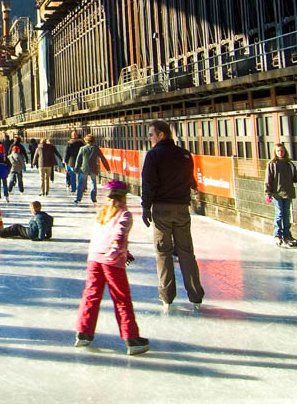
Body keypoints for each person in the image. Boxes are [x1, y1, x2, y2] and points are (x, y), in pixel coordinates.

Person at [74, 180, 148, 355]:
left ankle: (83, 333)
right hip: (111, 261)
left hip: (94, 259)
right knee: (121, 299)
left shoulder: (102, 214)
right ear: (123, 196)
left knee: (91, 295)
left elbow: (103, 237)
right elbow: (119, 235)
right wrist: (116, 252)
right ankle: (132, 338)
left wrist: (124, 252)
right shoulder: (124, 214)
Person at [140, 120, 205, 309]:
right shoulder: (185, 154)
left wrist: (146, 207)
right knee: (186, 252)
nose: (149, 138)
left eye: (151, 134)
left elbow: (149, 183)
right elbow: (190, 180)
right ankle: (196, 296)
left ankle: (167, 296)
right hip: (182, 208)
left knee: (163, 253)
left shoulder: (153, 155)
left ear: (161, 135)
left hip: (162, 209)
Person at [265, 144, 297, 247]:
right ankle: (277, 235)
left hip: (288, 193)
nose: (280, 153)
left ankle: (287, 235)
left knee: (286, 215)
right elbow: (268, 180)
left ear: (284, 151)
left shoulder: (289, 164)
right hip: (277, 194)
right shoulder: (272, 164)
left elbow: (295, 178)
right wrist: (268, 193)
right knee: (279, 213)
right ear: (275, 152)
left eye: (281, 151)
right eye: (278, 151)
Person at [74, 133, 110, 204]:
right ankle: (93, 199)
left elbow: (78, 160)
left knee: (81, 184)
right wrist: (107, 168)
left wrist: (76, 169)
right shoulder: (96, 148)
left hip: (84, 168)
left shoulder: (82, 148)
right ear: (93, 141)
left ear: (86, 141)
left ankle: (78, 198)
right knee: (93, 183)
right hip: (93, 168)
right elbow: (102, 158)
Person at [64, 129, 85, 194]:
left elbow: (67, 152)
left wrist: (65, 161)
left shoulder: (69, 143)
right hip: (80, 161)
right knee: (80, 176)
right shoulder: (81, 143)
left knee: (72, 176)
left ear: (72, 136)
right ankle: (80, 188)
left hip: (72, 161)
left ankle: (73, 189)